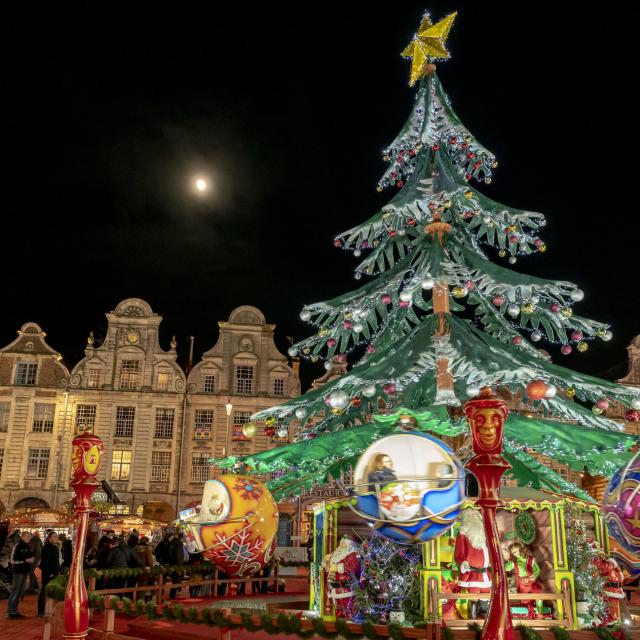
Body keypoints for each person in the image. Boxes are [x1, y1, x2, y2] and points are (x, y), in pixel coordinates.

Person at [454, 509, 491, 619]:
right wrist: (462, 562)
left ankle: (485, 621)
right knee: (473, 597)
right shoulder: (463, 533)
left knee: (486, 596)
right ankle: (473, 622)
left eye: (475, 514)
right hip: (472, 574)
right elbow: (459, 551)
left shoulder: (485, 532)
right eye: (470, 515)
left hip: (485, 573)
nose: (474, 517)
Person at [321, 536, 360, 619]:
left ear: (350, 545)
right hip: (335, 586)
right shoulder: (336, 554)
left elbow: (354, 567)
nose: (341, 545)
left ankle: (349, 623)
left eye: (344, 543)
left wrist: (338, 567)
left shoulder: (352, 555)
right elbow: (328, 568)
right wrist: (325, 561)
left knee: (347, 606)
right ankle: (339, 622)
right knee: (338, 607)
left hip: (346, 587)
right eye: (341, 543)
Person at [7, 530, 35, 619]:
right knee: (15, 592)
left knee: (20, 592)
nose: (28, 538)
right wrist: (25, 560)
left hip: (24, 572)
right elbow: (12, 560)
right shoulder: (17, 546)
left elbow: (30, 557)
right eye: (27, 536)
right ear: (22, 537)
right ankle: (11, 612)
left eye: (30, 537)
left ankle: (14, 611)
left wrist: (31, 559)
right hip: (18, 572)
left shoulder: (28, 546)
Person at [38, 532, 61, 618]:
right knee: (45, 592)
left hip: (53, 573)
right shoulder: (47, 548)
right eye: (54, 537)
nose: (56, 538)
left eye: (57, 537)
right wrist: (50, 573)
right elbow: (45, 562)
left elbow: (55, 561)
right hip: (48, 574)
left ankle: (48, 610)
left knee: (51, 592)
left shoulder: (54, 547)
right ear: (49, 538)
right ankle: (41, 611)